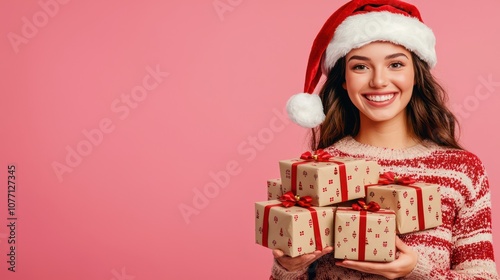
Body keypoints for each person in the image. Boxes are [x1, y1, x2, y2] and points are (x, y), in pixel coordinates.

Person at [270, 0, 499, 279]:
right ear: (343, 79)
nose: (379, 81)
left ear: (416, 74)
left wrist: (418, 271)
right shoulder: (320, 172)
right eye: (360, 67)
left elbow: (483, 275)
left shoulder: (461, 169)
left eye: (395, 64)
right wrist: (287, 268)